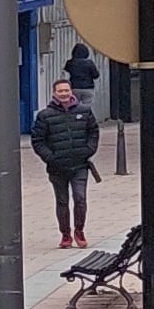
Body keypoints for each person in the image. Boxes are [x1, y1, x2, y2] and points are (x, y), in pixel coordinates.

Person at [33, 79, 103, 251]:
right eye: (60, 91)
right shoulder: (45, 115)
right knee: (62, 201)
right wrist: (50, 157)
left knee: (80, 199)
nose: (64, 94)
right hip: (57, 167)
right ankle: (65, 234)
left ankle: (79, 231)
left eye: (66, 90)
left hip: (80, 164)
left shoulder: (84, 111)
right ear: (54, 93)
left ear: (71, 91)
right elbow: (37, 140)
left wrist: (89, 150)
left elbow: (93, 131)